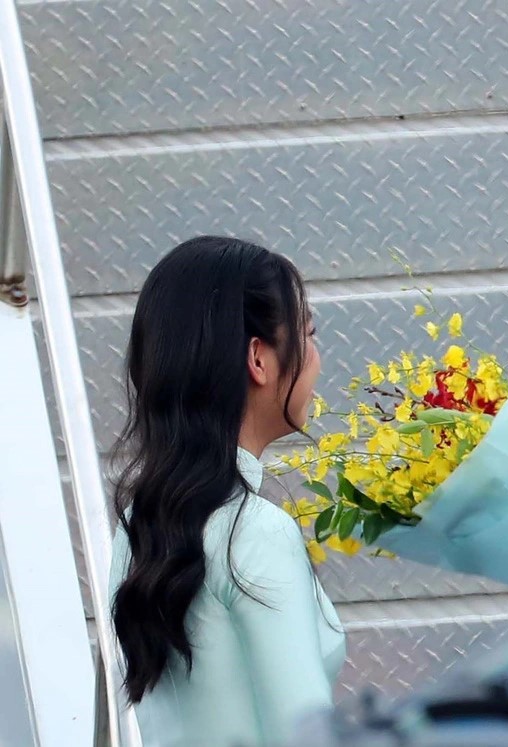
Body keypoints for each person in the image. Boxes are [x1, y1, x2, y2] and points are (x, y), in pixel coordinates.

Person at [109, 236, 345, 747]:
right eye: (308, 334)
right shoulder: (254, 532)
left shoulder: (137, 526)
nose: (318, 359)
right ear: (258, 358)